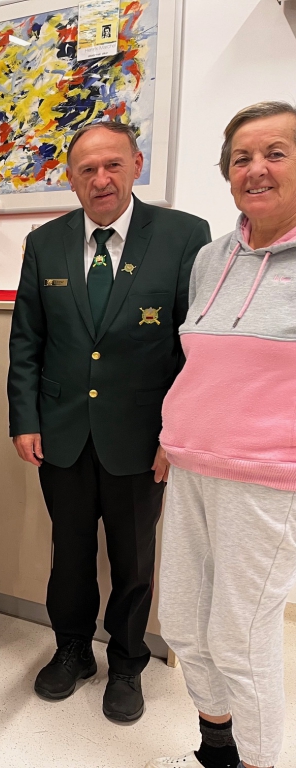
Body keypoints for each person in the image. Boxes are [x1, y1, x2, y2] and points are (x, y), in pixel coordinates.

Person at [7, 121, 211, 723]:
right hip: (62, 432)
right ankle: (72, 649)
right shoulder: (45, 242)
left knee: (133, 559)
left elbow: (194, 348)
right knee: (68, 553)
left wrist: (176, 435)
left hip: (142, 438)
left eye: (113, 165)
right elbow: (27, 340)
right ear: (71, 180)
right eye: (87, 170)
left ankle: (126, 663)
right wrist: (25, 419)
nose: (101, 180)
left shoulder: (183, 236)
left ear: (135, 165)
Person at [148, 101, 296, 768]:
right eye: (242, 158)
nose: (256, 169)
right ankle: (217, 747)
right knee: (184, 624)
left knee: (241, 640)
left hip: (265, 482)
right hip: (190, 468)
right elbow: (201, 364)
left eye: (275, 153)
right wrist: (171, 433)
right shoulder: (212, 258)